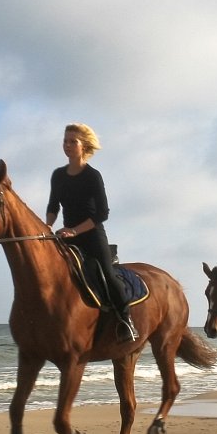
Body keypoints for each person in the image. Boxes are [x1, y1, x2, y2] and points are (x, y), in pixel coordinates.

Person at [45, 122, 137, 343]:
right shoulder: (58, 175)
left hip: (91, 235)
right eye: (65, 140)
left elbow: (102, 214)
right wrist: (46, 227)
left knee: (106, 271)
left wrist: (74, 231)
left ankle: (126, 319)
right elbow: (53, 206)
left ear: (83, 145)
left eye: (72, 141)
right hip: (65, 235)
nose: (67, 145)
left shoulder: (92, 176)